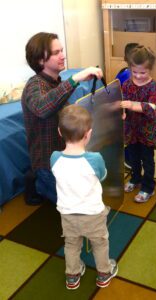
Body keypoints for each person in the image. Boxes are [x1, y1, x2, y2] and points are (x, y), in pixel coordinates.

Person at [21, 32, 103, 205]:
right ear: (41, 60)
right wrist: (75, 78)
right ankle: (37, 183)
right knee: (74, 204)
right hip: (47, 164)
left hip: (61, 158)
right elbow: (43, 107)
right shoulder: (34, 85)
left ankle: (38, 181)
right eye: (56, 52)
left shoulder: (55, 81)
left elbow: (56, 101)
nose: (63, 55)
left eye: (62, 50)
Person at [50, 105, 118, 290]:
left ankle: (72, 276)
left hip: (67, 213)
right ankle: (104, 273)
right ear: (88, 134)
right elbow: (102, 175)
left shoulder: (55, 158)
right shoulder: (94, 158)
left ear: (59, 132)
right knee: (100, 243)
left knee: (71, 244)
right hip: (93, 213)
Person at [120, 45, 156, 203]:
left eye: (142, 72)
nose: (138, 76)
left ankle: (148, 187)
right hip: (131, 129)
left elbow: (151, 107)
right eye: (134, 72)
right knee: (133, 157)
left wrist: (131, 105)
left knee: (147, 159)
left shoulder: (154, 86)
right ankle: (135, 179)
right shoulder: (126, 85)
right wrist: (122, 112)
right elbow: (123, 103)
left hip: (147, 130)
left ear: (150, 69)